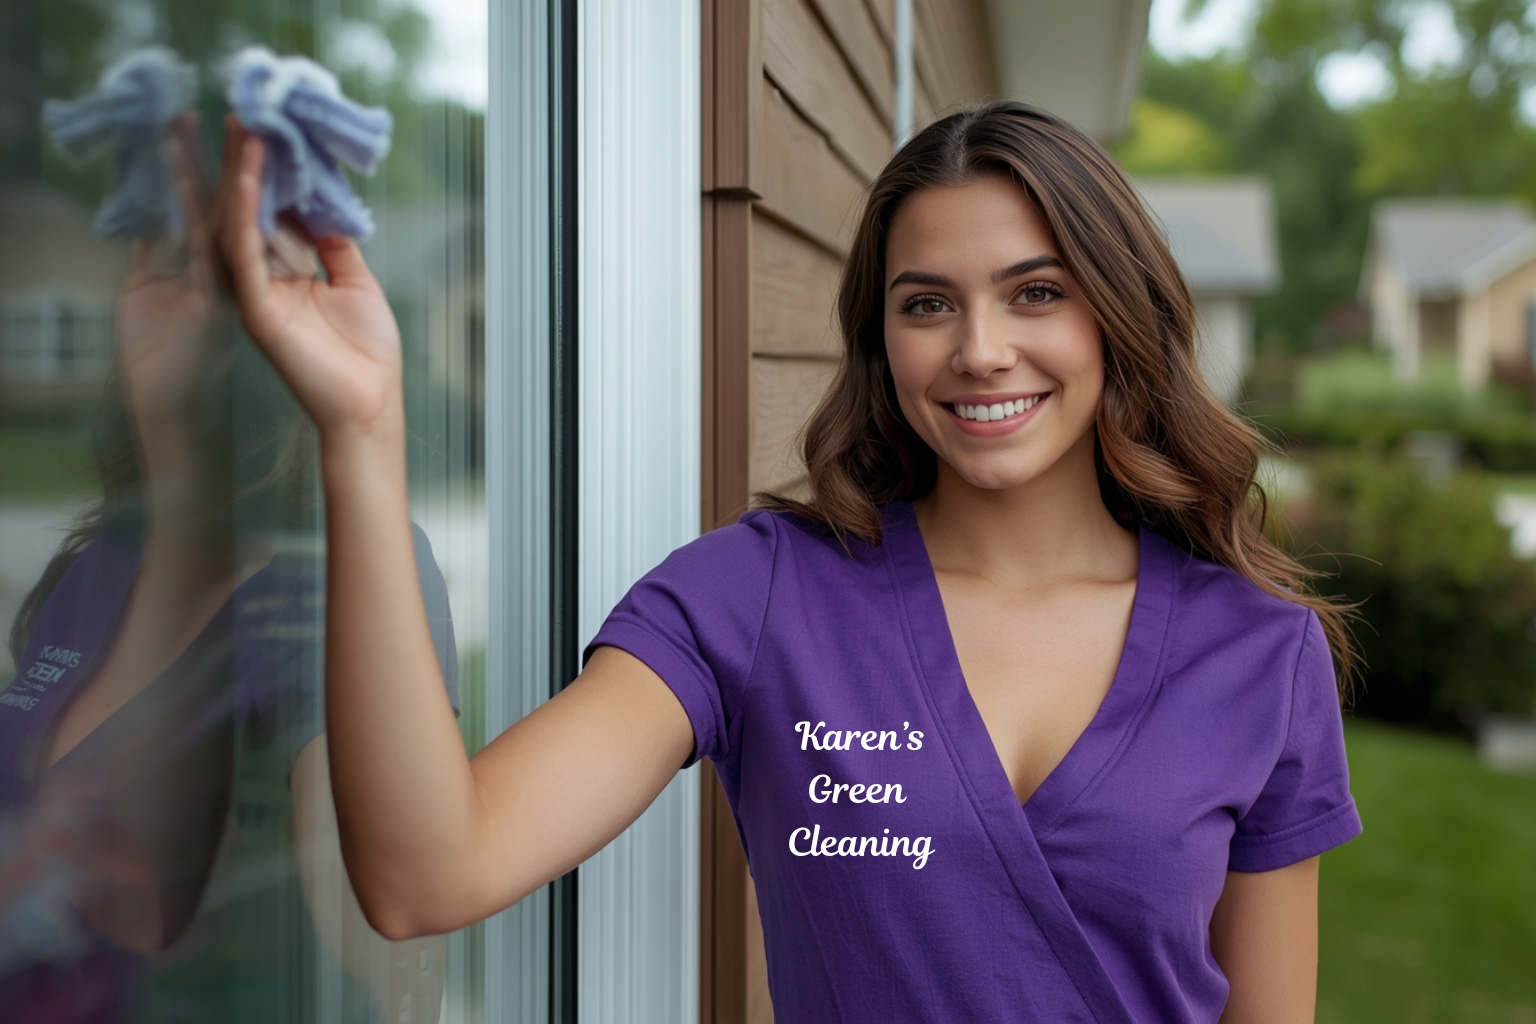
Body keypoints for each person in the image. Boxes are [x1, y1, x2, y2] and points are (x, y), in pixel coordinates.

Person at [217, 101, 1361, 1022]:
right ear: (882, 341)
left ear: (1118, 314)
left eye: (1037, 292)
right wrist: (363, 436)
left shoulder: (1261, 652)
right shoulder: (758, 595)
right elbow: (428, 872)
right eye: (928, 304)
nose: (979, 349)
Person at [0, 114, 454, 1024]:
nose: (204, 297)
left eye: (248, 259)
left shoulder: (336, 577)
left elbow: (391, 942)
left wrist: (359, 430)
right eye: (169, 253)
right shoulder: (95, 567)